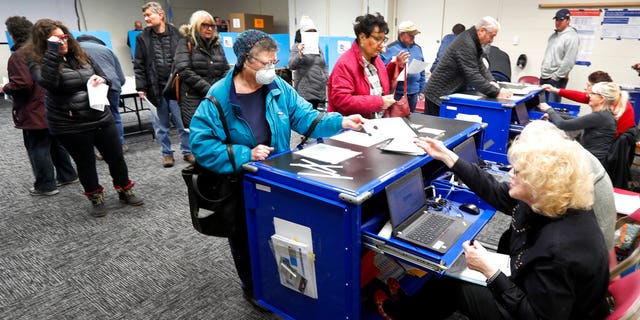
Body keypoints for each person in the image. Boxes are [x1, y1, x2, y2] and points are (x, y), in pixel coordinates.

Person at [188, 29, 365, 310]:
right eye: (265, 62)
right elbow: (200, 143)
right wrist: (247, 154)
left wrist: (341, 122)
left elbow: (305, 117)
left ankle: (281, 281)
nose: (271, 68)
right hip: (241, 181)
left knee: (278, 232)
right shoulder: (219, 96)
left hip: (276, 178)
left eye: (274, 61)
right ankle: (252, 287)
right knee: (245, 237)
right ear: (246, 60)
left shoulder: (278, 89)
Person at [412, 130, 609, 319]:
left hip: (541, 311)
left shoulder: (559, 250)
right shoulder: (552, 200)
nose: (511, 173)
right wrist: (448, 157)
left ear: (540, 183)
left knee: (450, 283)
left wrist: (490, 272)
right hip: (534, 289)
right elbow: (494, 190)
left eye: (519, 171)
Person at [24, 19, 143, 216]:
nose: (62, 42)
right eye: (55, 40)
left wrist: (100, 79)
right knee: (85, 162)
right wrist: (53, 52)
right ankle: (96, 198)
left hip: (100, 115)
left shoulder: (82, 54)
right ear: (44, 42)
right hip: (69, 123)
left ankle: (125, 190)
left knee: (116, 157)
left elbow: (105, 75)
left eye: (64, 37)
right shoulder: (37, 60)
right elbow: (49, 83)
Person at [0, 16, 78, 197]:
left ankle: (45, 185)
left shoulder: (19, 56)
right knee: (55, 144)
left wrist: (6, 87)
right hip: (51, 105)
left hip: (33, 109)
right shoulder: (42, 50)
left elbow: (23, 84)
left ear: (12, 35)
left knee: (37, 147)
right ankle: (68, 175)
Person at [134, 1, 193, 168]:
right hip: (155, 89)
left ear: (161, 15)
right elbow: (138, 64)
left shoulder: (178, 34)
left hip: (177, 88)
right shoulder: (142, 38)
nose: (146, 18)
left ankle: (188, 152)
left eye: (149, 15)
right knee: (161, 126)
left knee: (184, 123)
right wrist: (141, 87)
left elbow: (186, 59)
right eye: (144, 16)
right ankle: (167, 154)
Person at [423, 17, 512, 116]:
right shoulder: (466, 43)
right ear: (482, 31)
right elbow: (473, 74)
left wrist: (492, 81)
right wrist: (496, 92)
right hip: (437, 95)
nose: (491, 40)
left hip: (448, 92)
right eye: (491, 36)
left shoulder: (473, 41)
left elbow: (480, 65)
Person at [327, 13, 408, 118]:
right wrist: (379, 102)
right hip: (353, 129)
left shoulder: (376, 60)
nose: (382, 44)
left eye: (383, 39)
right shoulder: (345, 64)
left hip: (374, 125)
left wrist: (395, 66)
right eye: (377, 39)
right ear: (362, 37)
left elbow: (378, 83)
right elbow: (342, 100)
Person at [172, 10, 228, 128]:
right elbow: (184, 70)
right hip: (193, 99)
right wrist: (210, 89)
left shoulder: (217, 45)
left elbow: (225, 69)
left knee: (218, 132)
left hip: (215, 98)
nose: (209, 29)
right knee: (199, 134)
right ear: (196, 26)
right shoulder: (185, 43)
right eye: (204, 25)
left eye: (212, 26)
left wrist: (219, 88)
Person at [539, 82, 617, 166]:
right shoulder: (604, 114)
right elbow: (579, 120)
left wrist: (549, 110)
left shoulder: (600, 116)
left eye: (593, 93)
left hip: (592, 163)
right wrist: (552, 115)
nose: (589, 95)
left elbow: (563, 125)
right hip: (594, 158)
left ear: (602, 99)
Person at [541, 70, 636, 136]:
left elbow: (564, 124)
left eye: (589, 86)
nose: (585, 89)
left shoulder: (605, 112)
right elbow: (582, 96)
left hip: (610, 147)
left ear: (599, 91)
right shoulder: (611, 98)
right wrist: (556, 90)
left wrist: (549, 111)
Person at [77, 34, 128, 153]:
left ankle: (101, 150)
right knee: (115, 115)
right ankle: (120, 145)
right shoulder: (107, 50)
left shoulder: (76, 50)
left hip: (91, 88)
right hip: (112, 86)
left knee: (95, 118)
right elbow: (121, 78)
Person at [380, 20, 426, 113]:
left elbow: (422, 71)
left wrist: (422, 90)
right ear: (401, 34)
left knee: (411, 118)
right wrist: (399, 70)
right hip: (397, 93)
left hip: (414, 92)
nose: (413, 37)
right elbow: (382, 71)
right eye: (410, 34)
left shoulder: (418, 48)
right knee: (396, 120)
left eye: (414, 34)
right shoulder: (389, 49)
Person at [288, 15, 329, 110]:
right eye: (308, 32)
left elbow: (323, 66)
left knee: (318, 120)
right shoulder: (297, 47)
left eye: (313, 31)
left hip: (320, 91)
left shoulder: (317, 47)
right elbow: (291, 66)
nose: (311, 33)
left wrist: (328, 80)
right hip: (306, 93)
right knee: (308, 121)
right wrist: (300, 54)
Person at [540, 8, 579, 103]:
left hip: (556, 79)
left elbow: (569, 61)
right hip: (544, 76)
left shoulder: (572, 37)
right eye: (556, 20)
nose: (558, 22)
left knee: (552, 107)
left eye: (561, 20)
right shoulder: (553, 36)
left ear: (568, 21)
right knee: (541, 105)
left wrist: (556, 77)